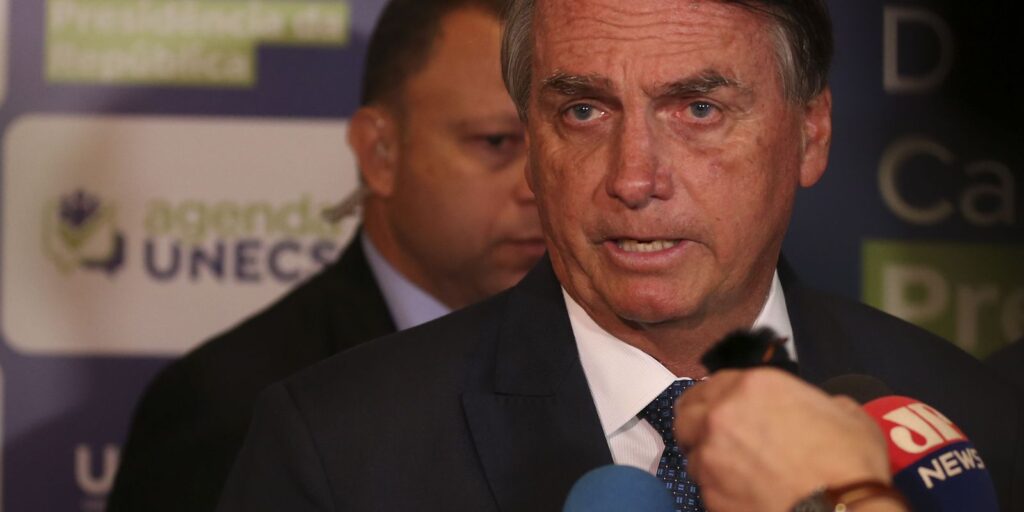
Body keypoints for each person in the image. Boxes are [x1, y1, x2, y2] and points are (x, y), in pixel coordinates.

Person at [217, 1, 1024, 511]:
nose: (634, 179)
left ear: (810, 133)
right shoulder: (338, 451)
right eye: (583, 111)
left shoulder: (976, 423)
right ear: (532, 144)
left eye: (698, 109)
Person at [106, 1, 542, 510]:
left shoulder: (596, 362)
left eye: (559, 134)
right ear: (379, 153)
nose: (537, 182)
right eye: (497, 142)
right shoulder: (235, 408)